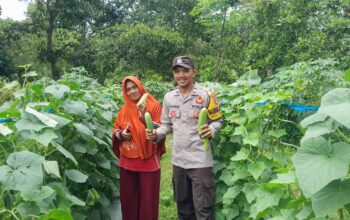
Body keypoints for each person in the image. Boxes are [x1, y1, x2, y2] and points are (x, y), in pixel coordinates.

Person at [146, 56, 222, 220]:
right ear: (173, 74)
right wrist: (156, 134)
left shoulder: (207, 95)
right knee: (183, 209)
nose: (181, 75)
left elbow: (217, 121)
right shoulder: (169, 97)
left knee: (203, 210)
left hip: (200, 160)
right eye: (177, 71)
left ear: (193, 72)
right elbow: (166, 125)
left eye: (185, 71)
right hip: (179, 162)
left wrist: (211, 129)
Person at [112, 76, 165, 220]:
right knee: (128, 200)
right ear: (125, 92)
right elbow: (116, 130)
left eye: (134, 87)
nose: (132, 91)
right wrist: (122, 135)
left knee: (148, 202)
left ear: (140, 87)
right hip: (127, 162)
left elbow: (161, 128)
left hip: (148, 162)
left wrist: (143, 117)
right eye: (128, 89)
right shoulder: (124, 110)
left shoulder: (153, 106)